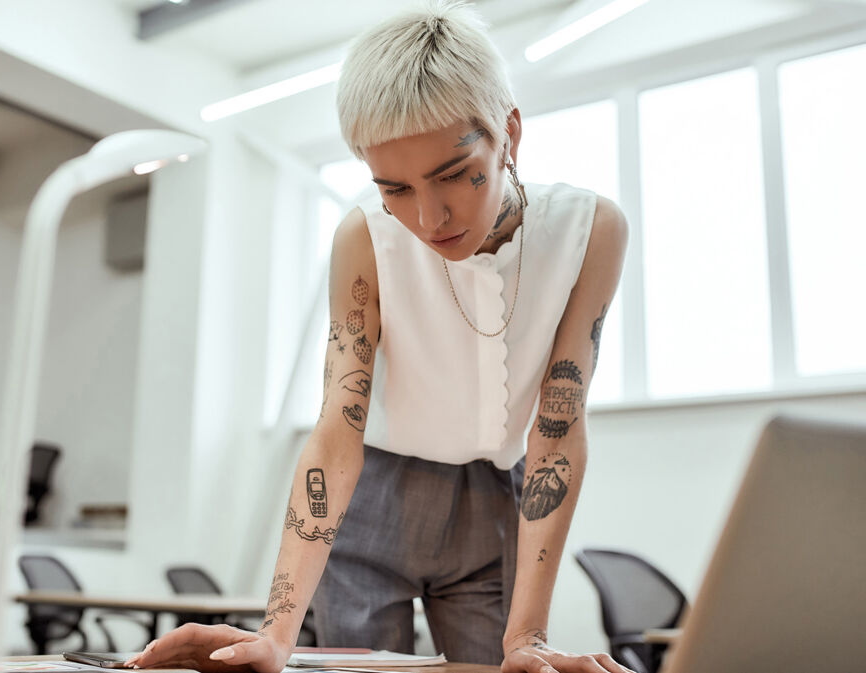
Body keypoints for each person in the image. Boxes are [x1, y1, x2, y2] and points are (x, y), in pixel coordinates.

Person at [127, 2, 630, 673]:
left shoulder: (590, 230)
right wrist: (276, 632)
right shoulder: (366, 236)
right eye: (394, 186)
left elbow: (558, 430)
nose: (429, 216)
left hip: (494, 499)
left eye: (453, 174)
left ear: (509, 131)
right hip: (372, 495)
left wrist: (528, 635)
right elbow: (338, 425)